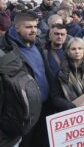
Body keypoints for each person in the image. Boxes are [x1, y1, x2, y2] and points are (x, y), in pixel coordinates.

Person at [0, 11, 53, 147]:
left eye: (35, 26)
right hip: (22, 115)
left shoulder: (38, 44)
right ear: (16, 27)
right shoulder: (6, 50)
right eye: (28, 27)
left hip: (44, 107)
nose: (34, 30)